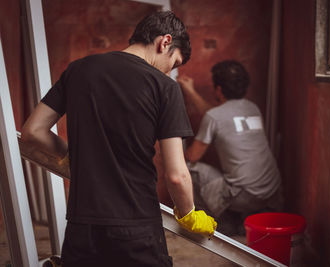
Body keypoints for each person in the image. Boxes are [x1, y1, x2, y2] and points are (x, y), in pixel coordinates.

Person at [21, 11, 216, 267]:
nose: (171, 72)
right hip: (136, 225)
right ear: (165, 42)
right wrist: (189, 214)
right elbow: (177, 175)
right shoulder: (164, 87)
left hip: (83, 225)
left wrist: (72, 156)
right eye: (175, 64)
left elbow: (32, 132)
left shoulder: (78, 70)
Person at [177, 60, 283, 235]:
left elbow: (193, 156)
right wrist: (191, 91)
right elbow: (219, 116)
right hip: (271, 193)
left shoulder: (214, 117)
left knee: (188, 171)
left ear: (218, 89)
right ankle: (245, 219)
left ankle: (223, 224)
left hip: (244, 196)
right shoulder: (252, 108)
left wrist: (173, 151)